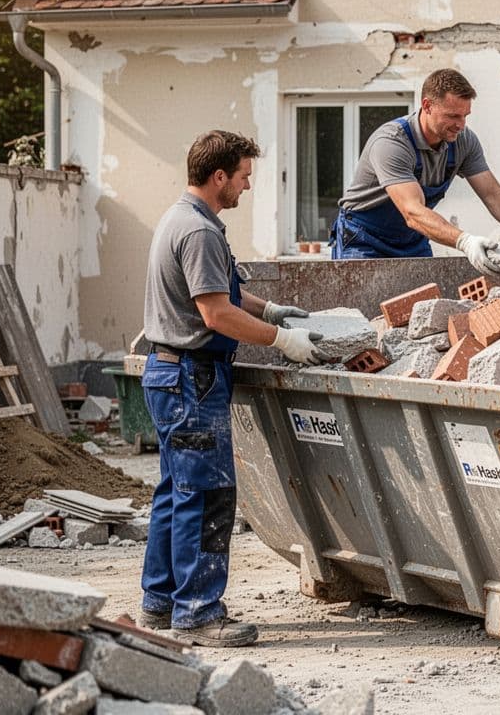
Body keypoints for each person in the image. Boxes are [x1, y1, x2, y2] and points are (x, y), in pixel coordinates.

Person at [139, 130, 324, 646]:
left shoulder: (181, 219)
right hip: (192, 379)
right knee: (207, 495)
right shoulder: (197, 231)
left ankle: (159, 603)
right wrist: (282, 340)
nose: (247, 186)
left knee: (176, 494)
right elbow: (216, 312)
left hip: (170, 373)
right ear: (219, 176)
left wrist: (270, 310)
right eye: (244, 176)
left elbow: (226, 291)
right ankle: (197, 613)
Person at [330, 68, 500, 273]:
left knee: (421, 308)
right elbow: (412, 212)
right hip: (364, 239)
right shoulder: (391, 143)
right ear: (427, 106)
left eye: (465, 116)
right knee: (365, 311)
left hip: (412, 239)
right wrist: (464, 241)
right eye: (453, 116)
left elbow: (492, 192)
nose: (461, 125)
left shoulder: (463, 141)